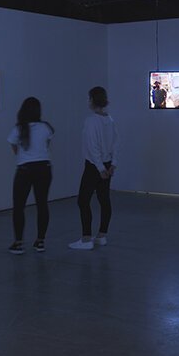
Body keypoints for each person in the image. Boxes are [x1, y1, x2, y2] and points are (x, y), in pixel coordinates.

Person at [70, 86, 117, 250]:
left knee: (83, 200)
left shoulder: (91, 120)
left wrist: (99, 168)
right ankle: (102, 236)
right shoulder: (109, 119)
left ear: (92, 100)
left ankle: (86, 239)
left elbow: (92, 146)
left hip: (94, 167)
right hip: (106, 164)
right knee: (104, 200)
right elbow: (115, 144)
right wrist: (112, 165)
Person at [7, 97, 54, 254]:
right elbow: (46, 145)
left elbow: (14, 147)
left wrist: (24, 157)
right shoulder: (46, 127)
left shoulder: (19, 129)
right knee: (42, 204)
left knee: (19, 206)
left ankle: (18, 243)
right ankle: (40, 242)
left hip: (25, 169)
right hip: (44, 168)